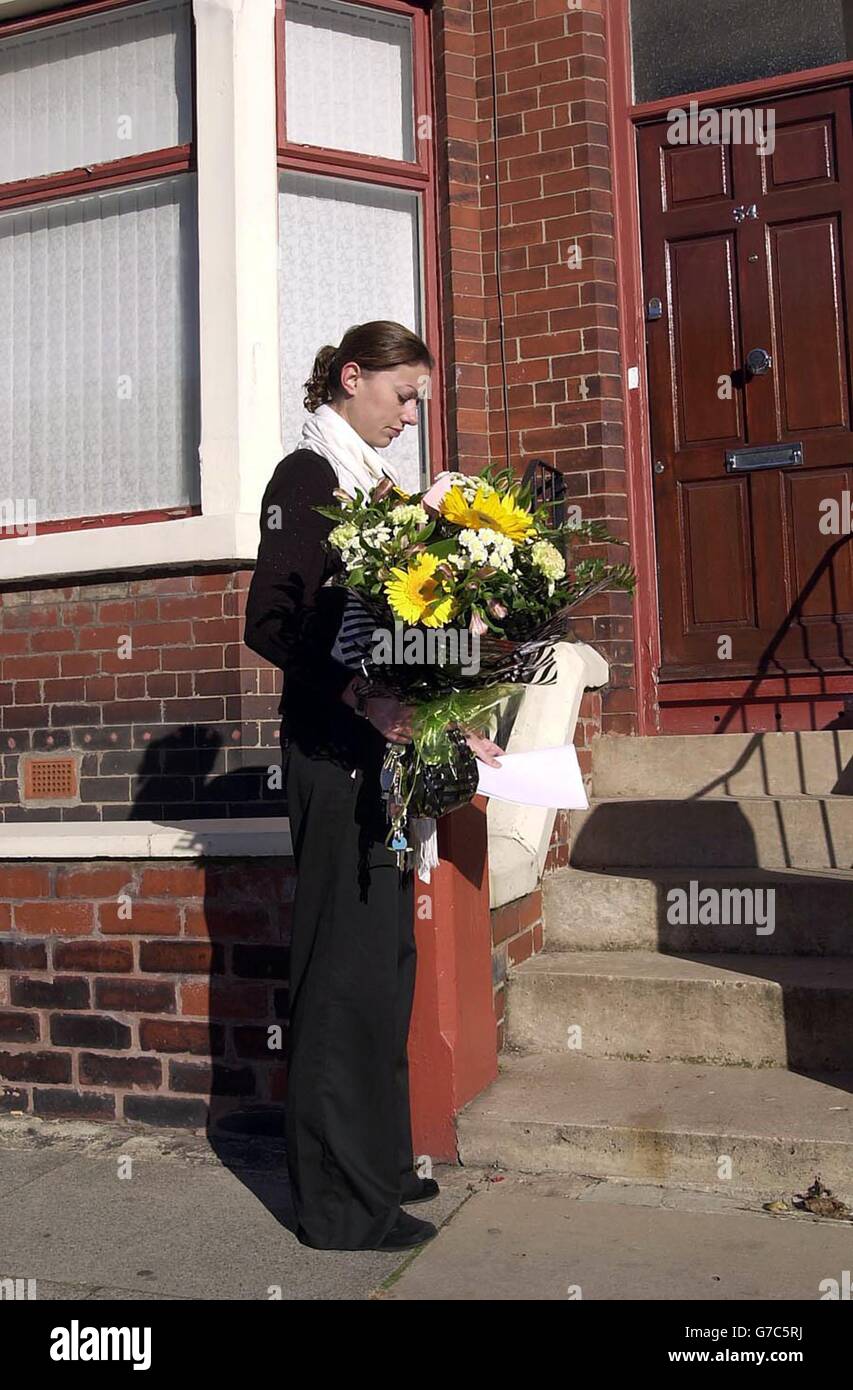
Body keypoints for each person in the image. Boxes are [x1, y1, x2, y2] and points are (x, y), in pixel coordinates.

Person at [243, 320, 503, 1252]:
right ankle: (340, 1210)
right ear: (352, 378)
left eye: (418, 403)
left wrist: (444, 693)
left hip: (381, 763)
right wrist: (362, 695)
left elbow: (385, 625)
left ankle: (382, 1166)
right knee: (343, 979)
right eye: (401, 396)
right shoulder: (306, 478)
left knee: (386, 971)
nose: (410, 415)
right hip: (333, 757)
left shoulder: (377, 490)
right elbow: (270, 622)